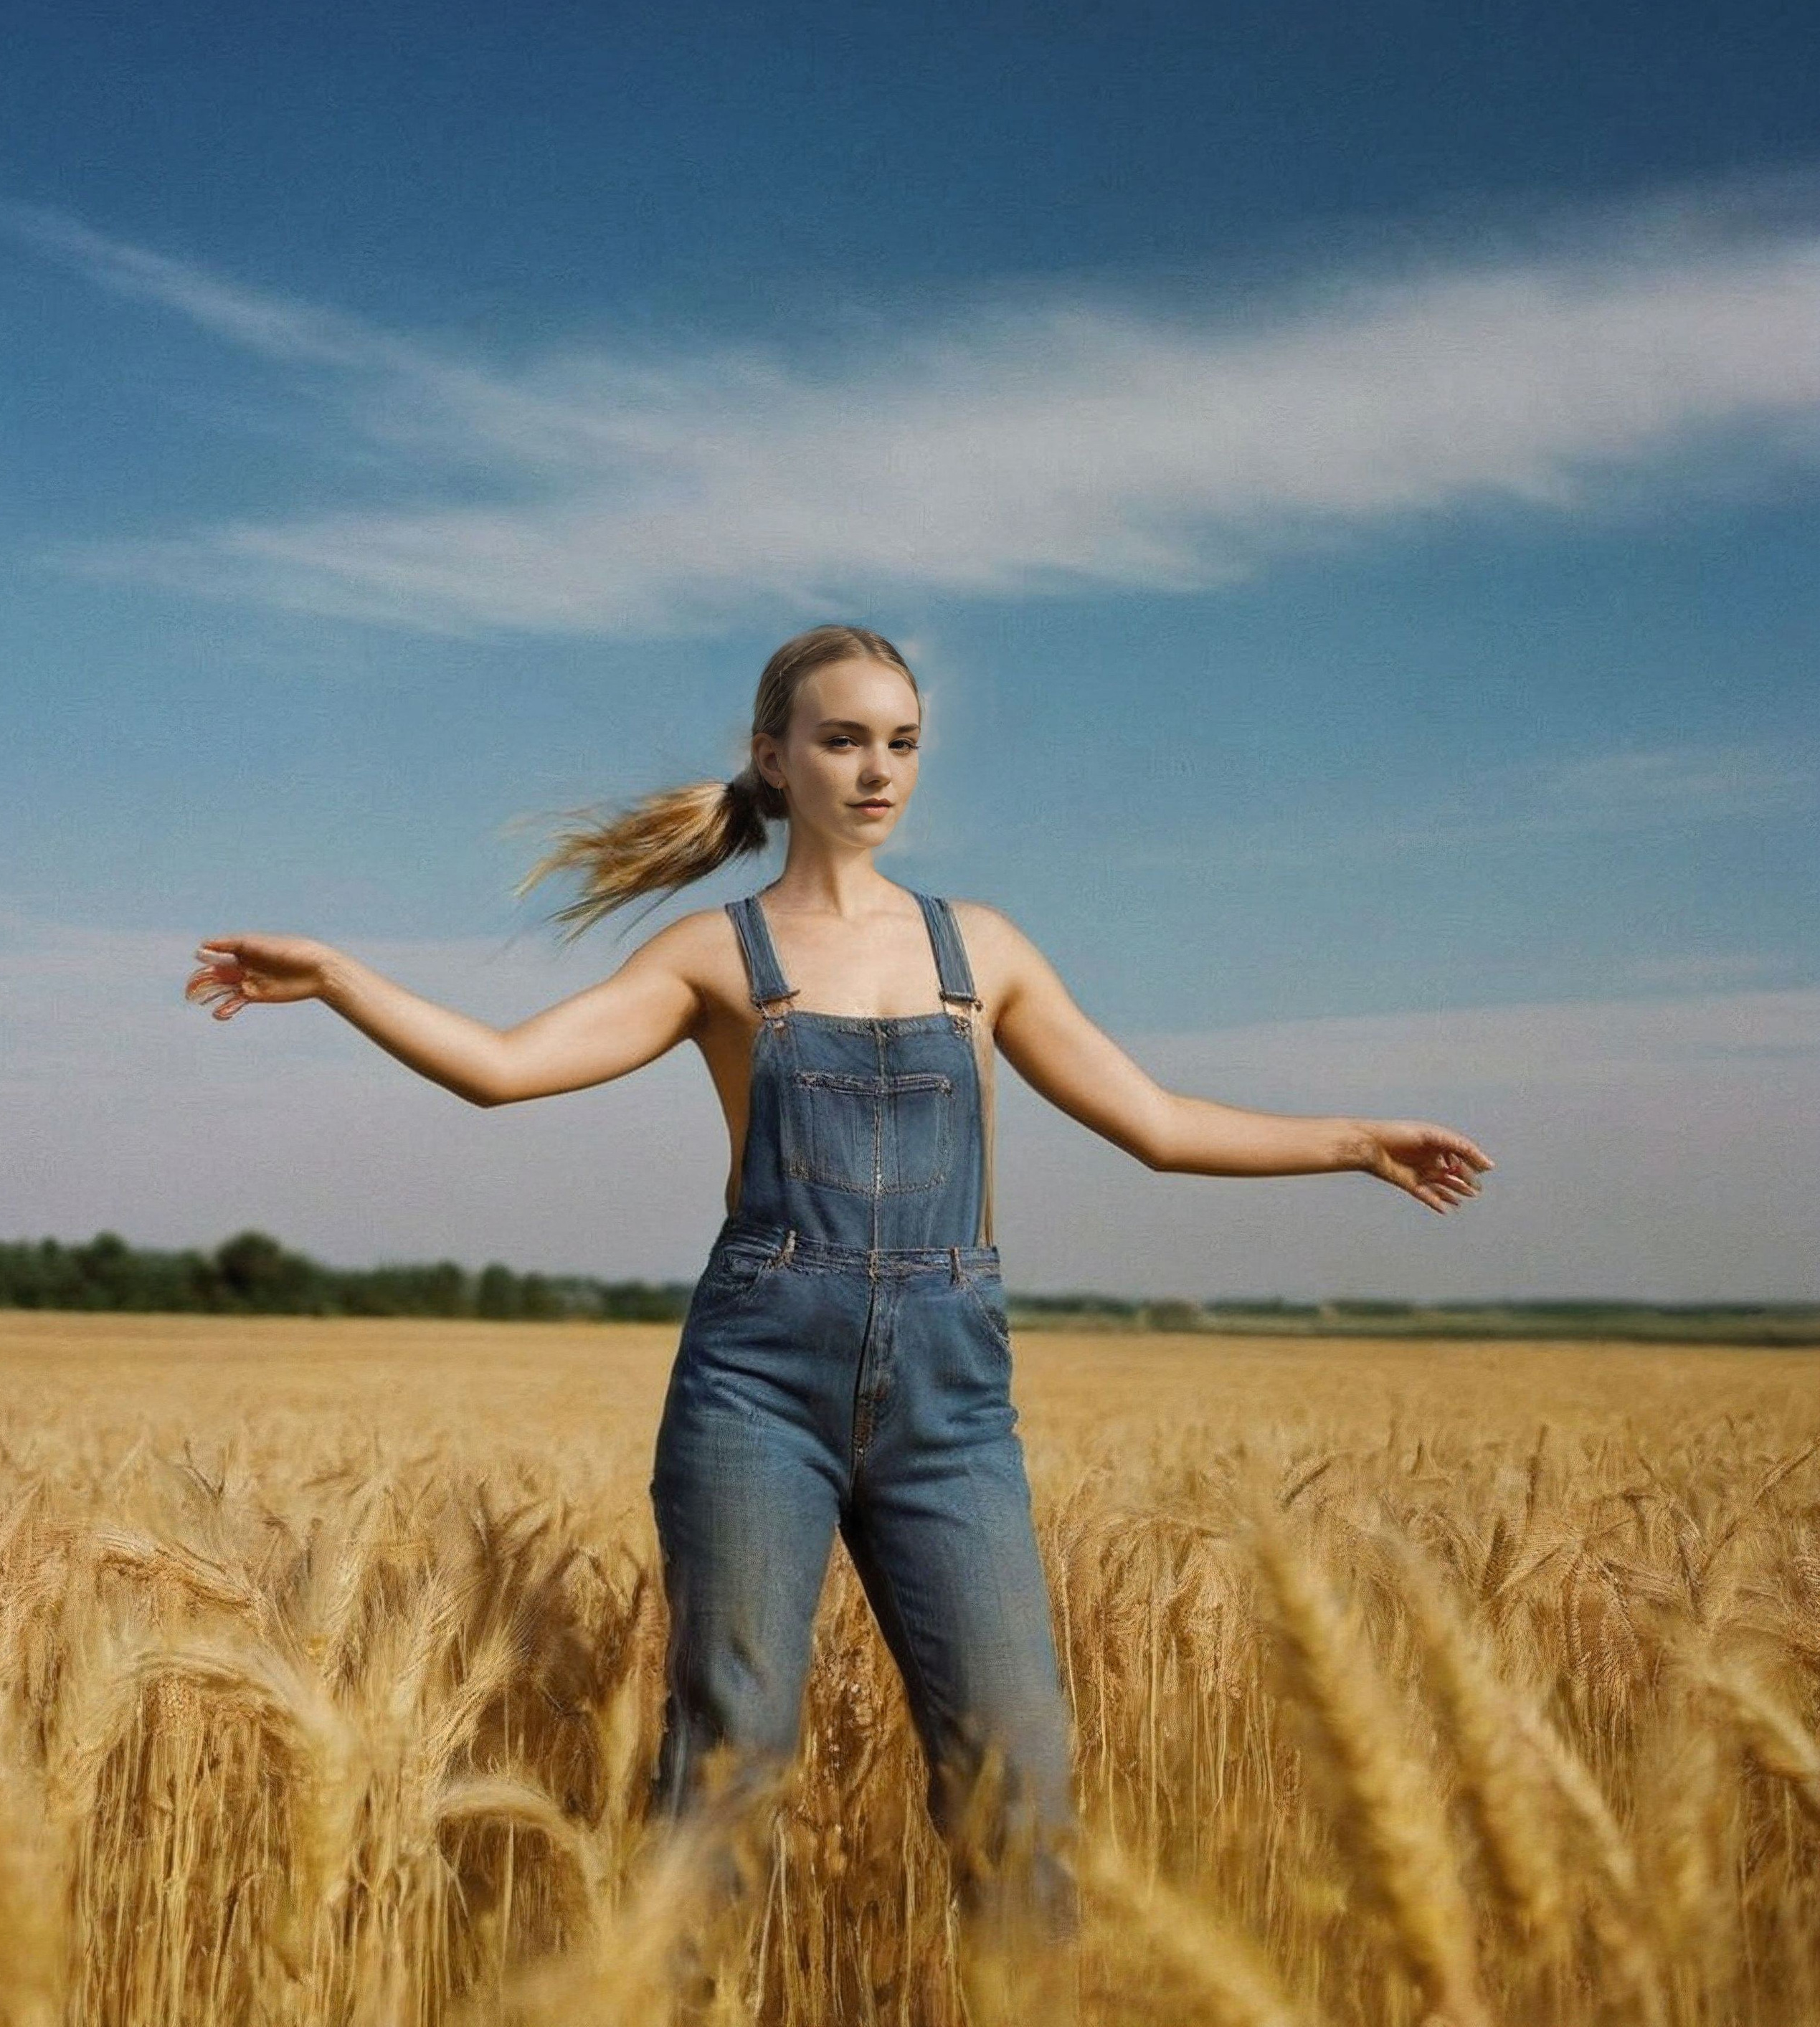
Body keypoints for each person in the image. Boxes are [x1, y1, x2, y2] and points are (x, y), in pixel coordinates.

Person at [185, 620, 1491, 1976]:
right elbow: (507, 1069)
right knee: (730, 1757)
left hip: (951, 1401)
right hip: (759, 1384)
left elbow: (1154, 1121)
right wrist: (337, 978)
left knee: (1019, 1764)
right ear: (775, 758)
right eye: (844, 740)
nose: (879, 771)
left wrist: (1351, 1142)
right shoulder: (713, 954)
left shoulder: (980, 946)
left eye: (902, 744)